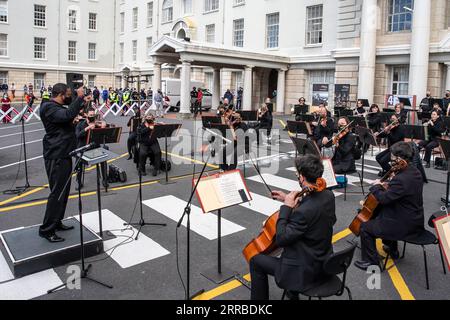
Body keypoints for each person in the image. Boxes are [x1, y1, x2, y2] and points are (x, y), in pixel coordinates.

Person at [249, 154, 336, 300]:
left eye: (297, 174)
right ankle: (291, 292)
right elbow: (329, 219)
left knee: (255, 261)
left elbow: (282, 238)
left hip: (305, 271)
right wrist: (289, 198)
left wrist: (286, 208)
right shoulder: (328, 196)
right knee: (299, 241)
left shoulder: (303, 211)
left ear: (302, 178)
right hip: (325, 263)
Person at [354, 142, 425, 270]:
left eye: (392, 158)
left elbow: (384, 199)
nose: (391, 160)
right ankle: (392, 249)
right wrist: (390, 182)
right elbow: (400, 192)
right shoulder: (415, 172)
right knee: (382, 215)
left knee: (365, 227)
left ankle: (372, 262)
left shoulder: (401, 179)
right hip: (415, 219)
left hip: (403, 225)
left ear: (400, 159)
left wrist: (376, 186)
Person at [39, 84, 92, 243]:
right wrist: (80, 97)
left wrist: (80, 108)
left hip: (64, 153)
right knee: (57, 193)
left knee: (64, 192)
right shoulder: (49, 107)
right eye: (69, 94)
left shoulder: (56, 106)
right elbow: (67, 114)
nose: (71, 97)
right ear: (61, 94)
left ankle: (57, 222)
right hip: (56, 155)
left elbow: (66, 118)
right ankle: (47, 230)